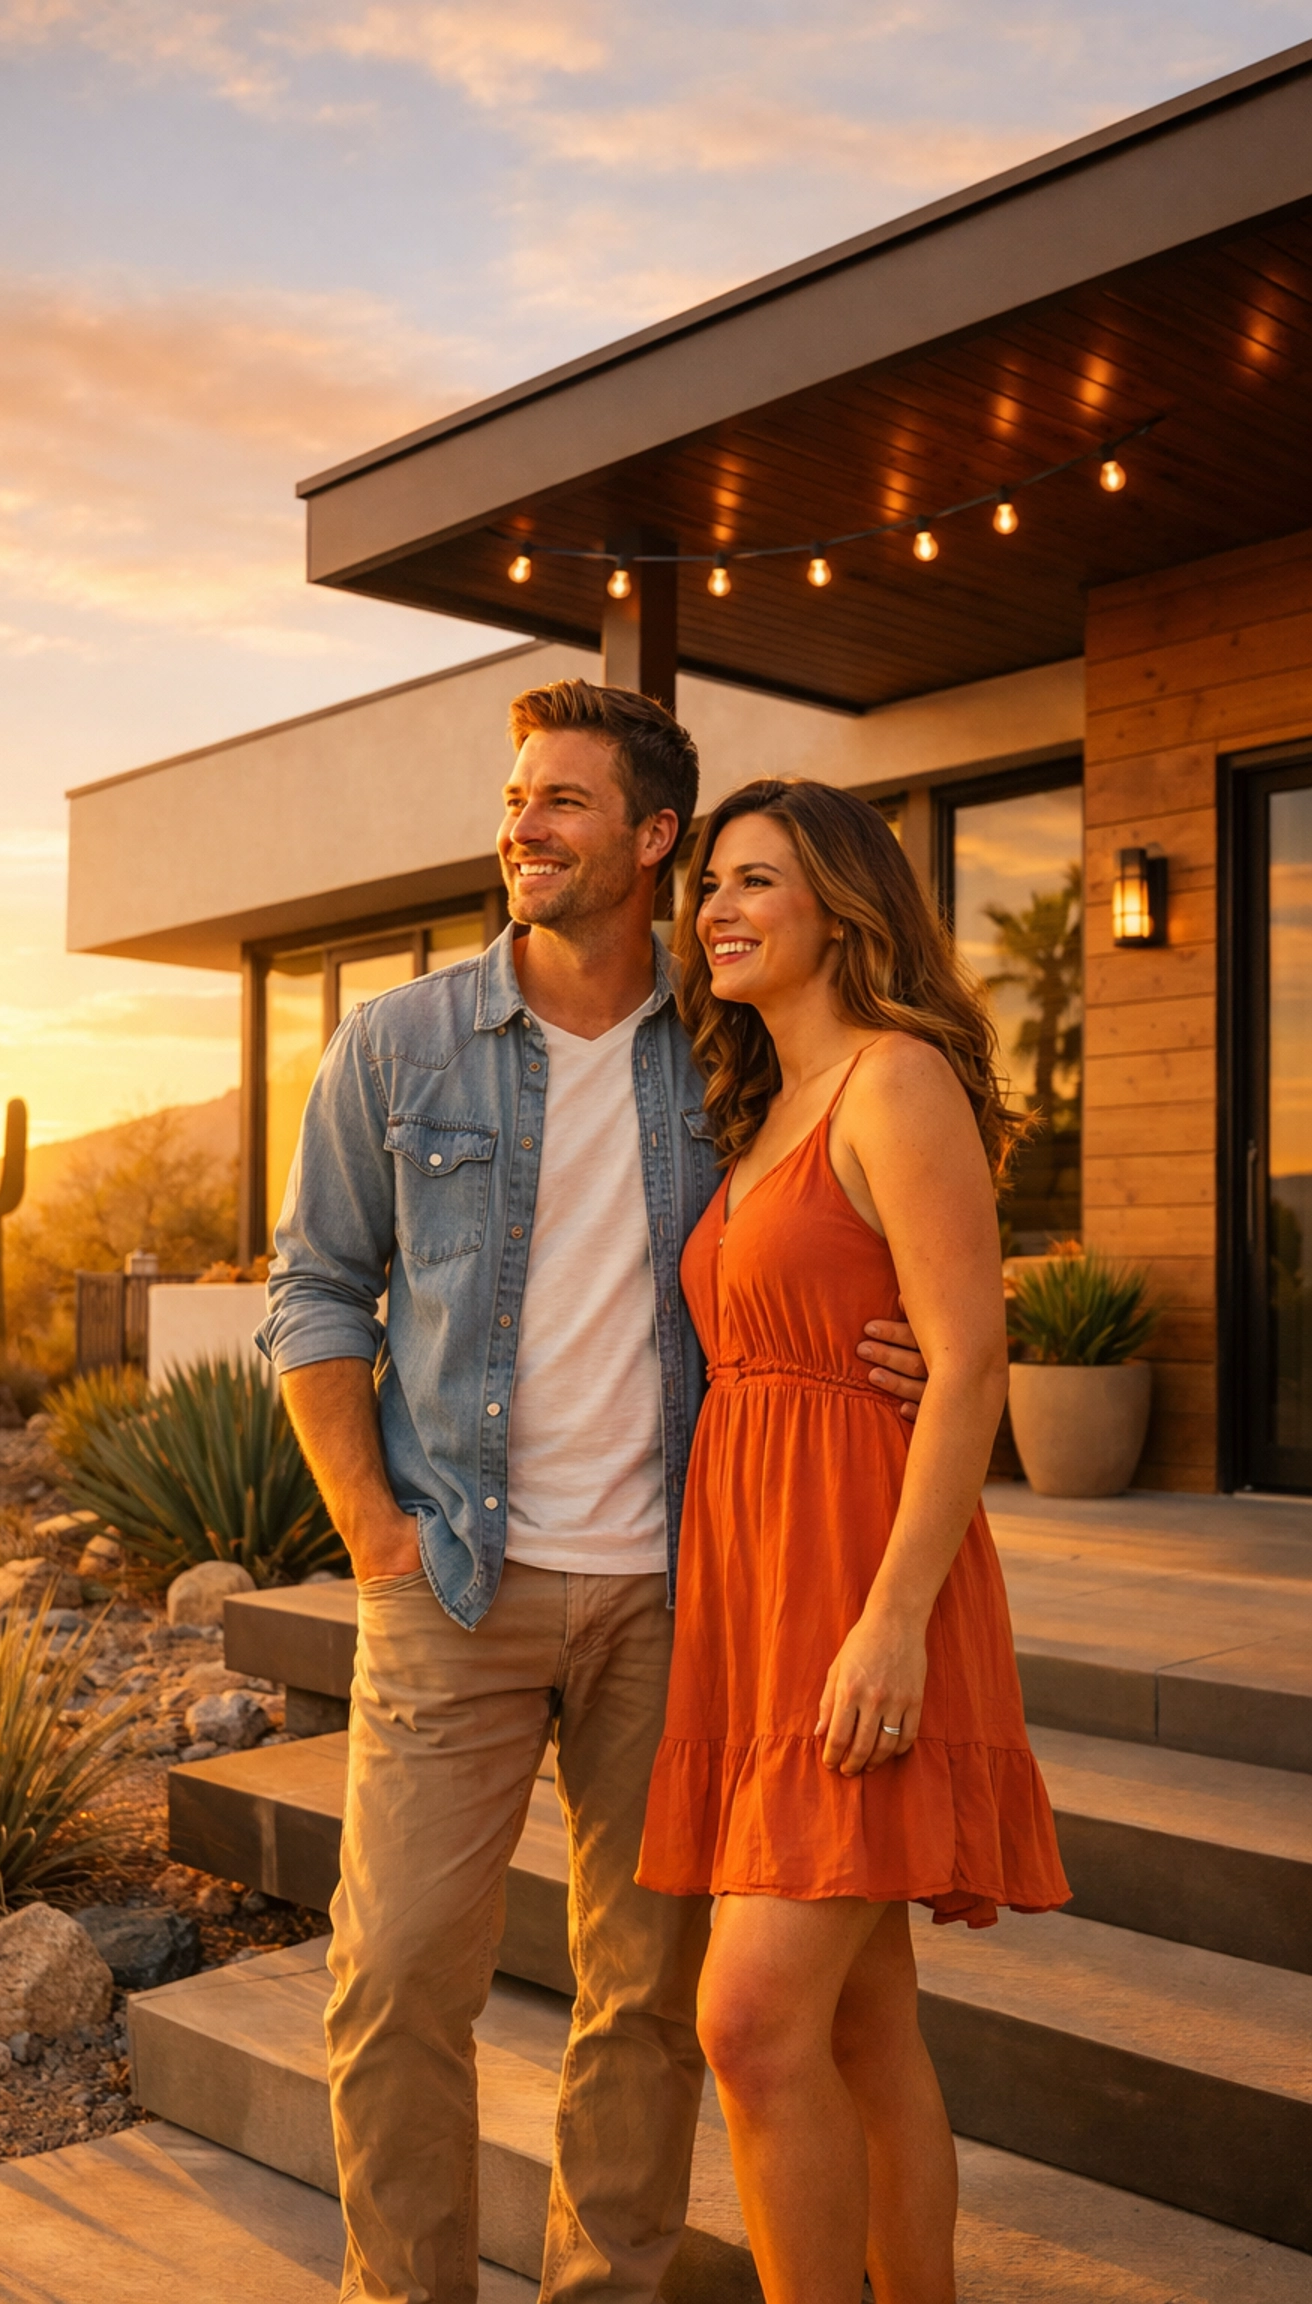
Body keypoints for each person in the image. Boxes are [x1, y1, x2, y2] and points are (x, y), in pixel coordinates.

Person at [256, 681, 929, 2304]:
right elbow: (312, 1292)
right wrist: (372, 1527)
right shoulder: (399, 1042)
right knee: (399, 1977)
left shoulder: (732, 1045)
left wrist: (896, 1335)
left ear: (650, 838)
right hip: (455, 1584)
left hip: (686, 1597)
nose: (522, 826)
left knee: (648, 1993)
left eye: (562, 799)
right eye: (515, 796)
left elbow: (849, 1197)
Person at [637, 778, 1071, 2304]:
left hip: (863, 1586)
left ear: (842, 905)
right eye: (711, 887)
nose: (721, 911)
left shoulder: (894, 1083)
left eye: (757, 881)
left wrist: (891, 1622)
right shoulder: (756, 1117)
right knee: (862, 2023)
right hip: (759, 1591)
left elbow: (968, 1363)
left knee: (749, 2025)